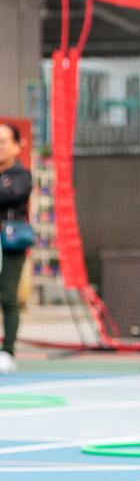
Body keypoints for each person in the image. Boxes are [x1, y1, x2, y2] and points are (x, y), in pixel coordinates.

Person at [0, 122, 32, 374]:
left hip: (9, 243)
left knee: (8, 295)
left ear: (17, 146)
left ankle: (7, 351)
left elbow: (10, 195)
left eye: (3, 142)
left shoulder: (21, 175)